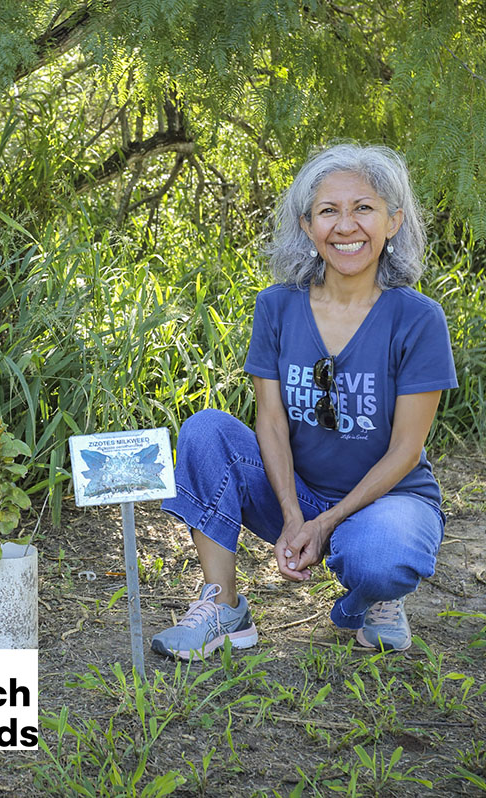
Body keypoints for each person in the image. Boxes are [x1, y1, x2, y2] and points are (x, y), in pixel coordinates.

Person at [151, 142, 457, 660]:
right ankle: (223, 608)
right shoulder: (277, 306)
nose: (346, 226)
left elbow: (406, 449)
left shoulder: (418, 319)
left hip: (388, 500)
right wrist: (295, 516)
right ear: (307, 224)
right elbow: (269, 420)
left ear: (394, 221)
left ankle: (375, 598)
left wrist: (325, 523)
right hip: (298, 492)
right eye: (328, 210)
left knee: (383, 557)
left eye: (364, 208)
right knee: (204, 430)